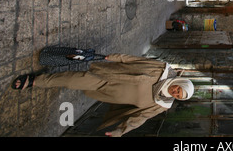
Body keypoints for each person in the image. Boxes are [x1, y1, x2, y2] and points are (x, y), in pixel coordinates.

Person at [11, 53, 194, 137]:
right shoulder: (162, 70)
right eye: (179, 89)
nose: (175, 92)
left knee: (76, 82)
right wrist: (116, 57)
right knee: (74, 80)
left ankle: (46, 76)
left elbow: (140, 118)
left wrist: (120, 132)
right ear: (178, 83)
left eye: (178, 95)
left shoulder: (161, 105)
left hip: (109, 96)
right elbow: (137, 61)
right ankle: (35, 81)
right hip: (108, 78)